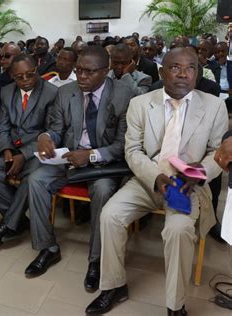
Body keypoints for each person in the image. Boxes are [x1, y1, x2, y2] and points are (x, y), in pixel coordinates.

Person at [85, 48, 228, 316]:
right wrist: (155, 177)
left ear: (198, 72)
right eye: (176, 67)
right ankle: (114, 286)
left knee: (178, 230)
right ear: (162, 72)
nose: (184, 74)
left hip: (188, 186)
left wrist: (197, 174)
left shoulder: (214, 105)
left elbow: (217, 155)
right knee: (110, 215)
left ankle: (176, 305)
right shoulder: (141, 103)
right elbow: (132, 151)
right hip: (148, 178)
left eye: (191, 68)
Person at [27, 46, 135, 287]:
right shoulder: (66, 92)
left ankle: (96, 260)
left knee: (103, 190)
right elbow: (56, 128)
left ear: (105, 71)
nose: (82, 77)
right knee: (35, 180)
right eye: (79, 71)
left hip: (103, 164)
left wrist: (91, 155)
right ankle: (48, 247)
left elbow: (123, 145)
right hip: (69, 158)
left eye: (89, 72)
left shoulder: (124, 95)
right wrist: (46, 137)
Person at [0, 54, 58, 248]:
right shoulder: (6, 92)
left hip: (36, 149)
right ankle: (19, 221)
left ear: (37, 68)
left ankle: (9, 225)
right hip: (12, 145)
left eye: (30, 74)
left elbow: (51, 132)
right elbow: (2, 126)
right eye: (19, 77)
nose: (25, 81)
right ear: (12, 76)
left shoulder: (51, 93)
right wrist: (7, 149)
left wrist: (23, 155)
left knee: (30, 177)